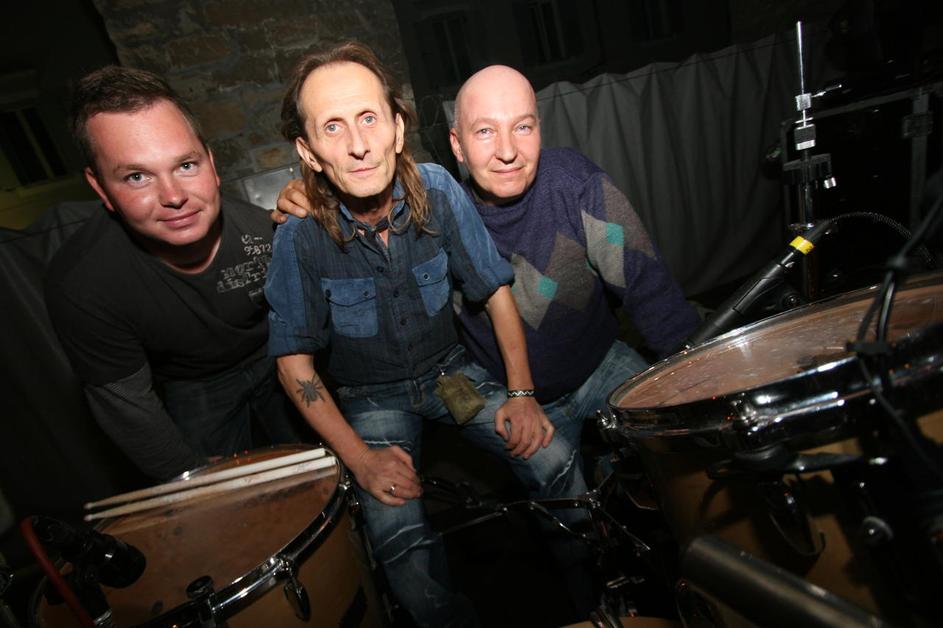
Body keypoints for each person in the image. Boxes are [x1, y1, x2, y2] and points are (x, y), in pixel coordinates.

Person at [267, 42, 586, 627]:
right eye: (332, 127)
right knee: (404, 557)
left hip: (449, 378)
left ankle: (593, 599)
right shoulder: (299, 236)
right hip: (371, 401)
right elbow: (294, 367)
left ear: (397, 128)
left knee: (556, 459)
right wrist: (361, 461)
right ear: (308, 152)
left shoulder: (438, 192)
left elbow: (494, 291)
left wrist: (521, 394)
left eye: (369, 118)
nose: (358, 144)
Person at [276, 65, 699, 466]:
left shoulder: (576, 185)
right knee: (562, 492)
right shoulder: (437, 214)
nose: (507, 151)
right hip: (507, 394)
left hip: (601, 365)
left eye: (523, 127)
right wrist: (316, 193)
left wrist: (697, 373)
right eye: (485, 131)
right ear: (457, 145)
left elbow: (649, 287)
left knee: (683, 446)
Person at [45, 66, 302, 481]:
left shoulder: (265, 231)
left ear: (211, 163)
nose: (173, 196)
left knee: (317, 470)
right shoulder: (83, 284)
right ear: (100, 188)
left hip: (278, 354)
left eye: (185, 165)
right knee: (224, 498)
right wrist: (188, 474)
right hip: (193, 384)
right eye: (137, 176)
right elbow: (128, 405)